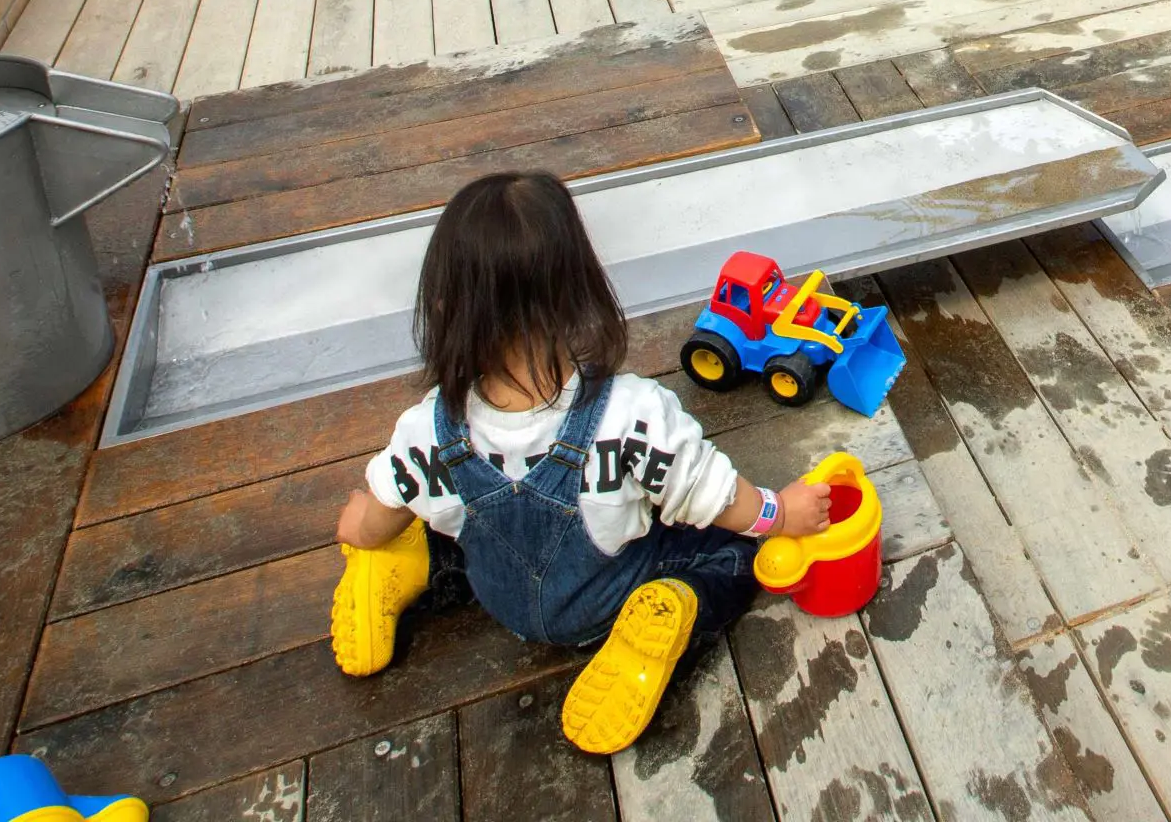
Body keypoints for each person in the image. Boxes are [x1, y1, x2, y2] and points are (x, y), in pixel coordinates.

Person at [328, 172, 832, 754]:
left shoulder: (428, 432)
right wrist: (780, 511)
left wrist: (363, 527)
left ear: (443, 305)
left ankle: (402, 567)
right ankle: (671, 609)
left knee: (439, 515)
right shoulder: (631, 414)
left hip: (501, 600)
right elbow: (717, 495)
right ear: (577, 292)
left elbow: (372, 519)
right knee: (736, 550)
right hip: (601, 603)